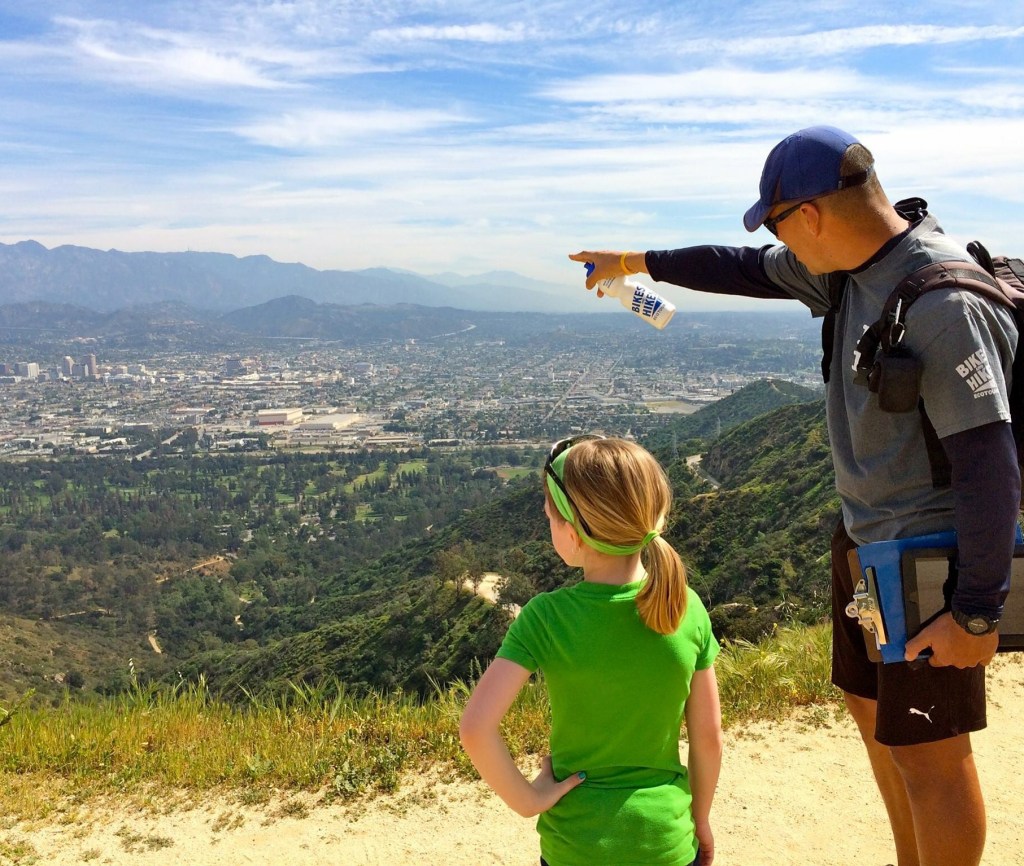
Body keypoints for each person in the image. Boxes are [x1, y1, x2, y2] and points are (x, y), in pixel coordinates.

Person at [570, 125, 1019, 866]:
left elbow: (990, 463)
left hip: (927, 564)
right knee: (884, 732)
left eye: (779, 224)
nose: (779, 245)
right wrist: (636, 263)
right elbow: (741, 267)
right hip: (866, 544)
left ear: (807, 215)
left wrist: (977, 609)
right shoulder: (845, 270)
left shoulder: (941, 301)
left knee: (933, 761)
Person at [460, 435, 722, 866]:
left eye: (549, 517)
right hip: (667, 844)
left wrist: (529, 800)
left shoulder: (546, 618)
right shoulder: (685, 607)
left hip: (575, 847)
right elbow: (708, 738)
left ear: (574, 534)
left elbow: (475, 729)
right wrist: (701, 819)